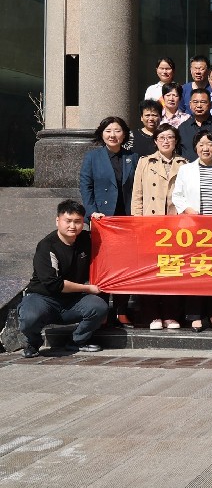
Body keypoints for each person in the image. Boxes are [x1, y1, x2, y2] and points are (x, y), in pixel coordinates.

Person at [18, 200, 107, 357]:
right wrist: (88, 288)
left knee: (99, 307)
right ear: (57, 220)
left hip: (73, 301)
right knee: (29, 317)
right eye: (68, 221)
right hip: (43, 298)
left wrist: (102, 223)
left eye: (77, 221)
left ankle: (77, 341)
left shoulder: (85, 239)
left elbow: (109, 237)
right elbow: (54, 284)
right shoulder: (47, 246)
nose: (73, 226)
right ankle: (33, 343)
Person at [171, 130, 212, 331]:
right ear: (195, 147)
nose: (206, 148)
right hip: (194, 230)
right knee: (195, 270)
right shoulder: (186, 170)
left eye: (210, 144)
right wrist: (187, 209)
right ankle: (195, 314)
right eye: (202, 144)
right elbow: (177, 196)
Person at [131, 123, 187, 331]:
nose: (166, 141)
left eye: (170, 137)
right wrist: (137, 221)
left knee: (173, 270)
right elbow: (137, 195)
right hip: (150, 224)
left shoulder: (184, 164)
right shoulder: (144, 162)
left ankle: (171, 315)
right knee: (150, 270)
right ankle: (152, 314)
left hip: (174, 226)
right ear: (155, 141)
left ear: (176, 141)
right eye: (161, 137)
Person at [80, 116, 137, 226]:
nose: (112, 135)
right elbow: (86, 187)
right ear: (102, 134)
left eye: (117, 131)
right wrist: (92, 212)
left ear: (124, 134)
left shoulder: (133, 157)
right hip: (102, 215)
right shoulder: (92, 157)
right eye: (108, 131)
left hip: (128, 214)